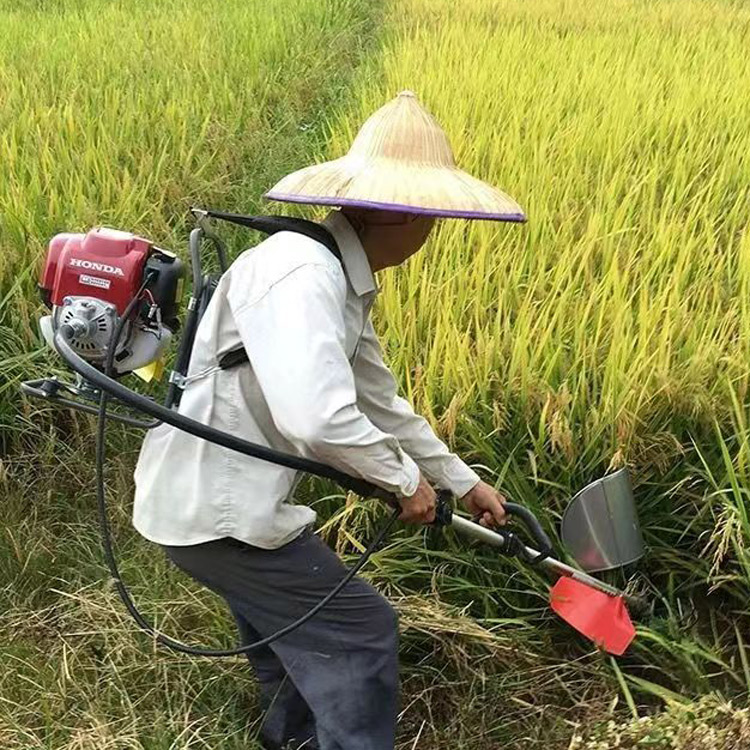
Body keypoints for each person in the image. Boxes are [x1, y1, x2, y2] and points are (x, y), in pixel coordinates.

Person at [133, 90, 525, 750]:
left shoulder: (339, 280)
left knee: (284, 623)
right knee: (359, 631)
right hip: (217, 511)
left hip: (218, 501)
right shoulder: (303, 274)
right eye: (431, 217)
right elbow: (317, 417)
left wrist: (462, 482)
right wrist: (405, 484)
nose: (433, 234)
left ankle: (290, 738)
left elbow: (381, 406)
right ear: (397, 213)